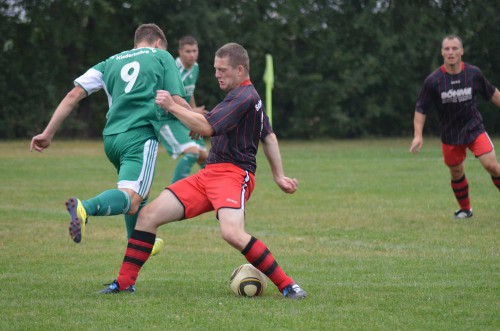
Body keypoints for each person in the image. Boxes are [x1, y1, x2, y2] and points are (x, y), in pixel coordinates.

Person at [100, 43, 307, 299]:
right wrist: (278, 175)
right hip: (209, 174)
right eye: (215, 69)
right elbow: (270, 136)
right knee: (147, 215)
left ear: (240, 69)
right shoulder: (242, 97)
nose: (217, 74)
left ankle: (288, 285)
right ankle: (123, 283)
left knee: (231, 233)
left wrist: (172, 106)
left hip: (233, 175)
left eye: (222, 70)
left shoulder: (245, 97)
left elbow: (208, 127)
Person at [30, 23, 191, 255]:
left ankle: (136, 242)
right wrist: (201, 123)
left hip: (112, 139)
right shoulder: (161, 55)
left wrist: (48, 133)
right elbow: (177, 99)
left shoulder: (110, 62)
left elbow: (73, 94)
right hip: (140, 135)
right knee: (133, 198)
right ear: (158, 43)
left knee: (136, 195)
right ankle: (85, 208)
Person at [410, 34, 500, 219]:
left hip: (474, 128)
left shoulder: (473, 74)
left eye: (454, 48)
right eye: (447, 49)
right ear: (442, 52)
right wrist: (418, 135)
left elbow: (492, 93)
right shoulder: (433, 80)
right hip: (450, 133)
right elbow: (421, 108)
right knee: (456, 170)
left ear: (461, 51)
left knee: (492, 166)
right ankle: (465, 209)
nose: (451, 52)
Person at [158, 35, 208, 183]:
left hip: (182, 116)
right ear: (180, 52)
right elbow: (172, 99)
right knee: (192, 153)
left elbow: (189, 92)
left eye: (195, 50)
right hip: (166, 119)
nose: (192, 55)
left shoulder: (195, 67)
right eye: (188, 51)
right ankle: (174, 195)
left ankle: (212, 192)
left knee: (206, 156)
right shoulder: (173, 69)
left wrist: (193, 110)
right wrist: (192, 114)